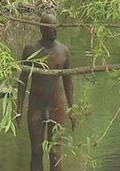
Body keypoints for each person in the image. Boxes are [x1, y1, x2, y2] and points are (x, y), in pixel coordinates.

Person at [17, 14, 74, 171]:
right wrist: (18, 109)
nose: (54, 30)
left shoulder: (64, 51)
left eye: (55, 27)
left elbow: (68, 81)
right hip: (36, 106)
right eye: (50, 28)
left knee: (55, 152)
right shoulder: (30, 49)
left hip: (58, 107)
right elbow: (22, 81)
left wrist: (72, 108)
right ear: (42, 29)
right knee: (36, 152)